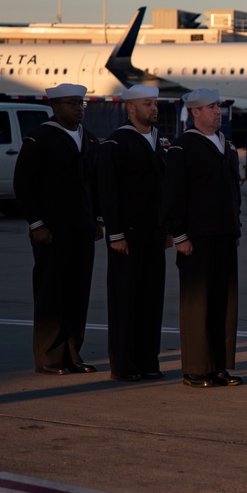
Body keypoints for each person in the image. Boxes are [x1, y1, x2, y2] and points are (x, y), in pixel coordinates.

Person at [13, 83, 102, 375]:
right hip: (51, 231)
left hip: (82, 228)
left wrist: (97, 220)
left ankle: (73, 353)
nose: (79, 109)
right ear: (56, 107)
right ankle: (49, 356)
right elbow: (24, 184)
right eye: (73, 103)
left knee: (78, 292)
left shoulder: (89, 140)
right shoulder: (40, 138)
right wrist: (36, 223)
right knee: (52, 292)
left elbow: (95, 185)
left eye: (81, 103)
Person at [164, 88, 243, 388]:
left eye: (218, 106)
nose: (217, 111)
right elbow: (173, 193)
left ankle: (218, 366)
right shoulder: (183, 147)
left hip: (224, 236)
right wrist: (180, 234)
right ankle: (196, 369)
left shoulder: (227, 146)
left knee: (223, 304)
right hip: (196, 238)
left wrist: (234, 228)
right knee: (198, 304)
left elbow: (233, 192)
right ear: (195, 113)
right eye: (210, 107)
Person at [97, 85, 170, 382]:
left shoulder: (159, 142)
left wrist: (168, 230)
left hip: (154, 234)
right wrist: (115, 233)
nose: (153, 108)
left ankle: (148, 361)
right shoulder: (117, 143)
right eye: (147, 104)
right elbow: (108, 190)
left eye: (154, 103)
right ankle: (124, 365)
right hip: (127, 235)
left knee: (151, 300)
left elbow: (166, 190)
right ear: (130, 108)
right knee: (125, 301)